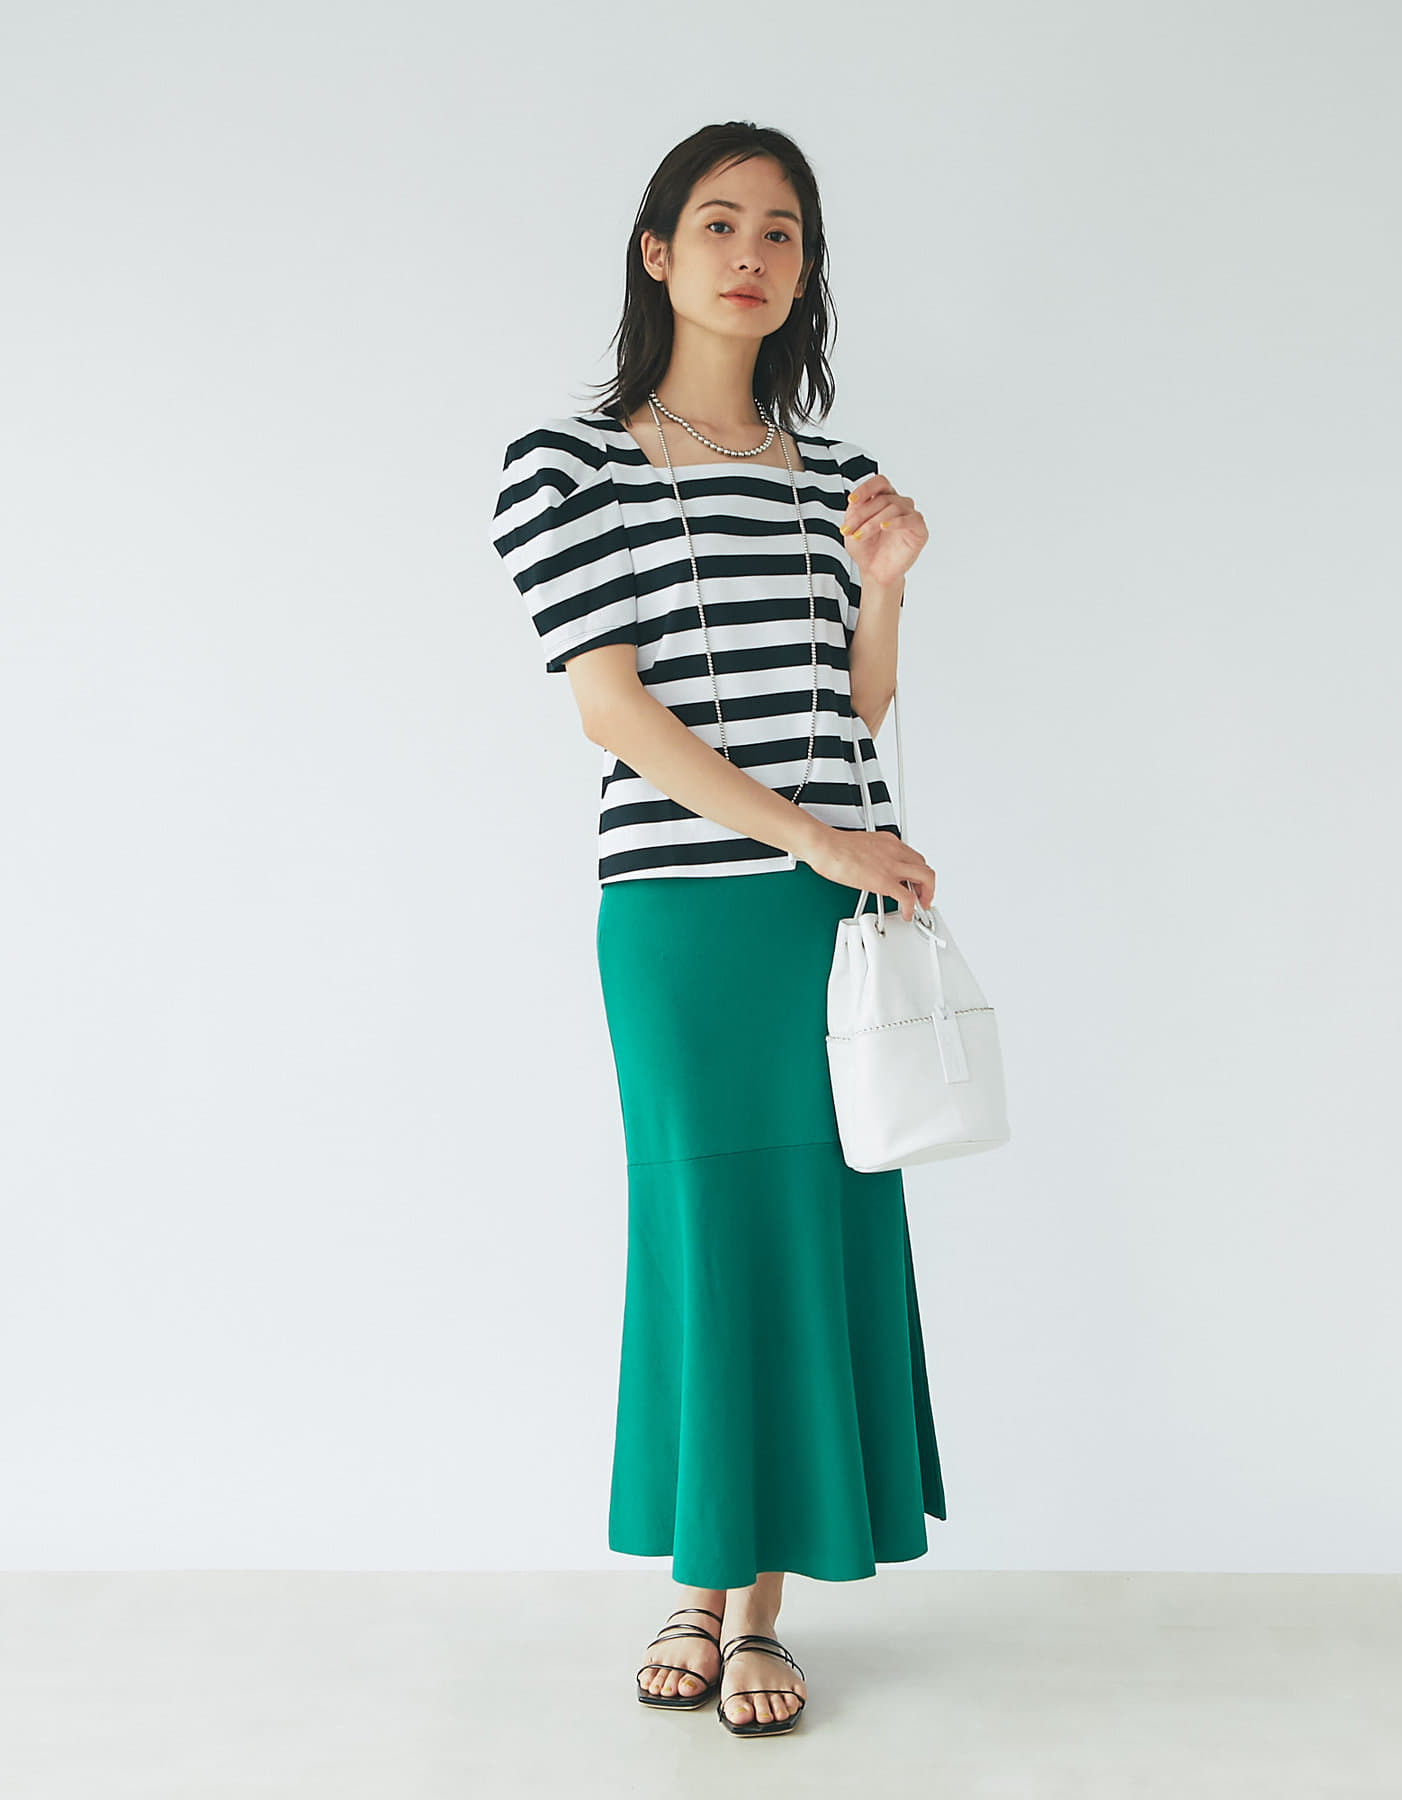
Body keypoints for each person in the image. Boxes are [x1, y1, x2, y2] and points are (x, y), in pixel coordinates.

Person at [490, 120, 945, 1739]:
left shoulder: (833, 473)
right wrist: (814, 833)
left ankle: (756, 1614)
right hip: (683, 917)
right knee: (703, 1232)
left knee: (811, 1232)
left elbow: (849, 706)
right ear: (658, 251)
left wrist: (883, 581)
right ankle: (698, 1581)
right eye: (720, 222)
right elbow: (613, 710)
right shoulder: (568, 464)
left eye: (783, 232)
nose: (753, 254)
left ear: (804, 272)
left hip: (831, 912)